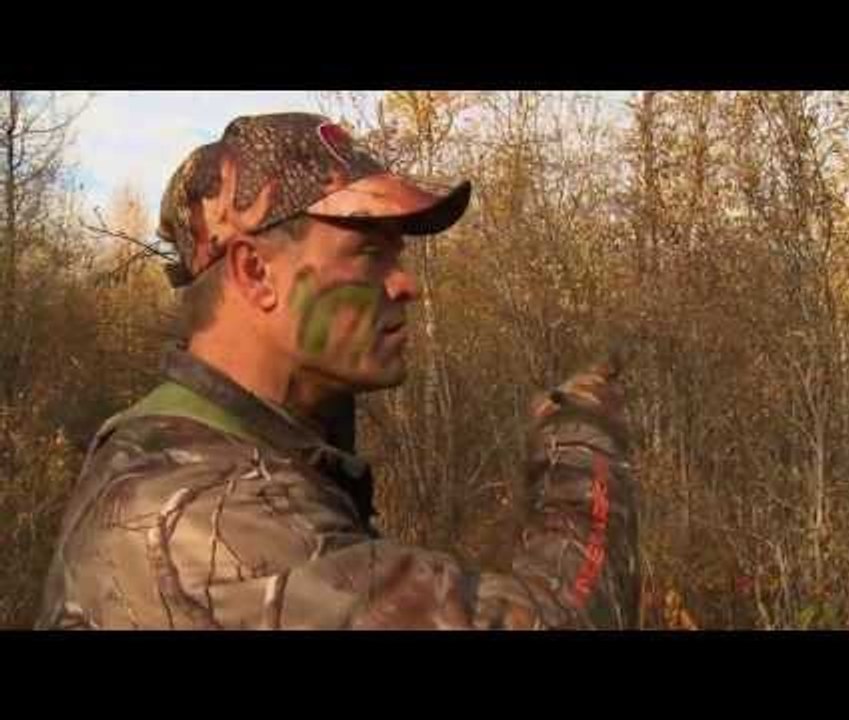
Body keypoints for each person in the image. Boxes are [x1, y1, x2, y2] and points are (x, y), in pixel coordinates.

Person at [36, 112, 638, 629]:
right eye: (369, 253)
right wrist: (584, 448)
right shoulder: (208, 519)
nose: (407, 285)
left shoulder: (191, 448)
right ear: (254, 272)